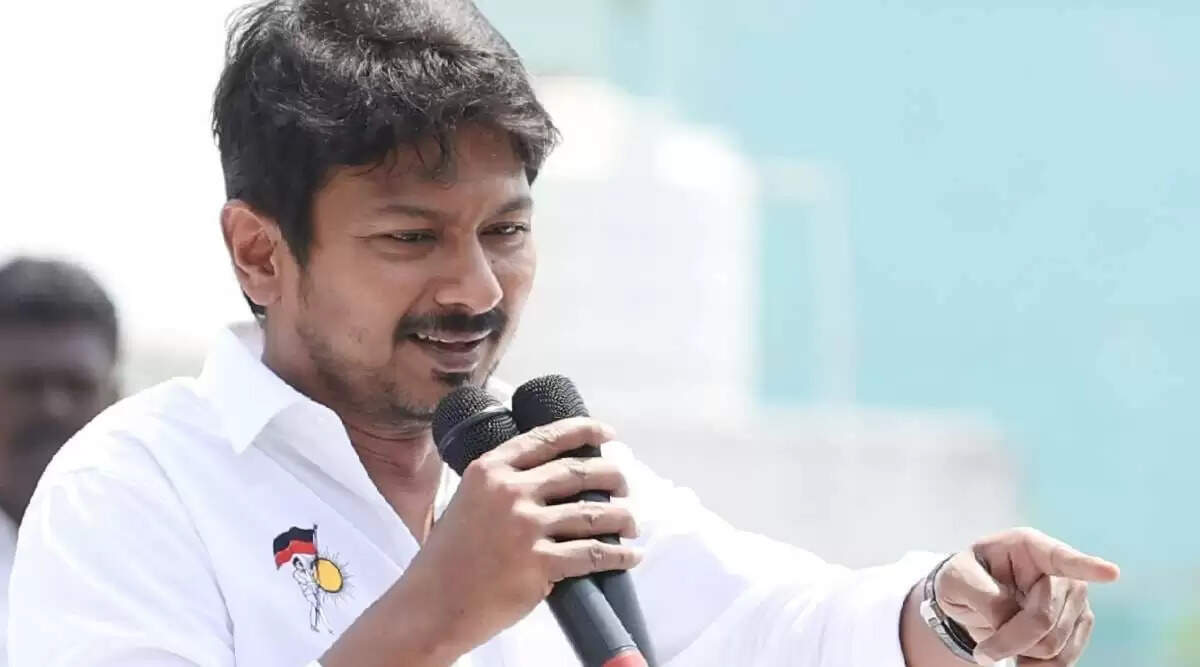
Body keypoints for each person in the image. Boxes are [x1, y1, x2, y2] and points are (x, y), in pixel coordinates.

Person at [8, 2, 1119, 666]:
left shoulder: (548, 474)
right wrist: (434, 614)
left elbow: (774, 623)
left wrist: (949, 606)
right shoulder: (132, 489)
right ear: (260, 252)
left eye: (506, 230)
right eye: (410, 238)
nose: (474, 288)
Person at [0, 257, 119, 665]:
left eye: (77, 386)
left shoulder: (165, 550)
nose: (52, 408)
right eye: (24, 385)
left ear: (115, 398)